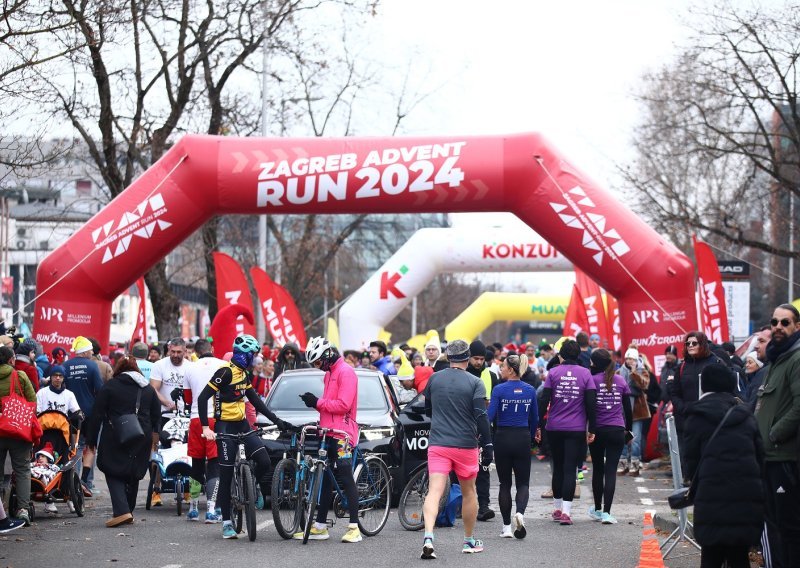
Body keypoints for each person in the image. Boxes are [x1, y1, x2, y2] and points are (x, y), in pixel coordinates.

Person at [197, 335, 291, 539]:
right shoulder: (225, 373)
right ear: (244, 355)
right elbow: (202, 397)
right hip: (224, 427)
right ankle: (227, 523)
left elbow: (256, 401)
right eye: (253, 355)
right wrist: (206, 427)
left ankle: (251, 486)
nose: (255, 359)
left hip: (242, 424)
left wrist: (277, 420)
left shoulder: (244, 374)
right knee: (226, 474)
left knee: (264, 460)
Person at [684, 363, 764, 568]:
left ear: (705, 384)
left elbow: (691, 462)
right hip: (745, 496)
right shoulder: (746, 415)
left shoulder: (697, 416)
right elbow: (759, 456)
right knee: (739, 557)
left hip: (710, 496)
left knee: (711, 557)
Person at [420, 339, 493, 559]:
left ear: (448, 357)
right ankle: (469, 541)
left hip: (439, 443)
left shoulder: (434, 378)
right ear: (467, 357)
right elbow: (481, 416)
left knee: (434, 490)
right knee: (469, 492)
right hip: (465, 445)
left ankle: (428, 537)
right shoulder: (475, 382)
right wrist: (488, 444)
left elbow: (428, 409)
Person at [295, 336, 362, 544]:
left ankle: (354, 527)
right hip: (328, 432)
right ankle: (320, 526)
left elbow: (342, 405)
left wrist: (316, 402)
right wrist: (317, 408)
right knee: (324, 477)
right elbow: (329, 404)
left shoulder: (346, 372)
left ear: (327, 356)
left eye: (317, 362)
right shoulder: (329, 373)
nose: (317, 366)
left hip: (343, 434)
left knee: (345, 475)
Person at [86, 356, 161, 527]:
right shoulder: (148, 389)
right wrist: (155, 437)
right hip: (142, 435)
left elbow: (97, 413)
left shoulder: (110, 387)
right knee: (132, 471)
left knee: (111, 469)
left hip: (114, 435)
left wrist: (91, 440)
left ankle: (122, 511)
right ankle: (128, 509)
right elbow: (156, 415)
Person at [755, 303, 800, 567]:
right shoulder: (777, 358)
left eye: (785, 323)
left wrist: (773, 434)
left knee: (788, 528)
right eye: (774, 322)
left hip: (783, 457)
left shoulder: (795, 359)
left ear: (797, 326)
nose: (778, 327)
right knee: (774, 527)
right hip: (768, 457)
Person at [535, 339, 596, 526]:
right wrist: (591, 428)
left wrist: (538, 425)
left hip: (554, 427)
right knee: (570, 468)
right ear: (578, 355)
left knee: (558, 467)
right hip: (576, 429)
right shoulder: (586, 373)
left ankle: (557, 508)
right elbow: (591, 403)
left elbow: (544, 400)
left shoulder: (553, 372)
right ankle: (567, 513)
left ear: (561, 355)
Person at [489, 353, 538, 539]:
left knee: (505, 484)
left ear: (510, 370)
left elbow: (490, 416)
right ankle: (520, 513)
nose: (501, 369)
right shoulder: (530, 390)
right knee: (523, 482)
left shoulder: (499, 390)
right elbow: (535, 419)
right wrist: (531, 437)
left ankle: (507, 527)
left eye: (502, 366)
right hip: (522, 436)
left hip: (503, 437)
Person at [181, 338, 224, 523]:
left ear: (196, 352)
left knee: (197, 465)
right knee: (214, 464)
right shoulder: (223, 365)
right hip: (216, 418)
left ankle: (193, 508)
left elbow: (188, 397)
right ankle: (212, 510)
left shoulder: (189, 368)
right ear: (212, 349)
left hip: (196, 419)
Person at [587, 349, 632, 524]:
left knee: (598, 469)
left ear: (596, 364)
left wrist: (590, 428)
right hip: (617, 430)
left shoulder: (592, 381)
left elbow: (589, 407)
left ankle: (597, 509)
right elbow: (627, 410)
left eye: (591, 362)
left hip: (598, 430)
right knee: (611, 470)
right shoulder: (621, 381)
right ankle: (607, 512)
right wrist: (627, 431)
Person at [62, 335, 103, 496]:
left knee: (74, 447)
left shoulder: (65, 366)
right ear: (85, 351)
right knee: (90, 447)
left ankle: (73, 482)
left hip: (71, 413)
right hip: (90, 412)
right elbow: (99, 390)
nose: (92, 352)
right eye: (90, 350)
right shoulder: (92, 367)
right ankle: (86, 482)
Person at [0, 346, 36, 525]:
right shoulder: (19, 376)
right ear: (10, 360)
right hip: (17, 429)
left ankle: (1, 514)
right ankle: (22, 510)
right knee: (22, 470)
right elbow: (32, 401)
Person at [466, 339, 499, 521]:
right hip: (464, 427)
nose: (479, 362)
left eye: (481, 359)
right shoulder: (463, 374)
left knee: (483, 467)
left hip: (485, 427)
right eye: (475, 358)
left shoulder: (491, 377)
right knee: (462, 469)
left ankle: (483, 505)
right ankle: (460, 504)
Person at [617, 347, 650, 475]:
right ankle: (623, 462)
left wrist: (634, 372)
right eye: (628, 358)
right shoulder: (619, 372)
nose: (630, 361)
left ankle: (635, 464)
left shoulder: (643, 371)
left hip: (637, 410)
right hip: (621, 409)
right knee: (622, 437)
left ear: (637, 360)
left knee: (635, 438)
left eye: (632, 359)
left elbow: (644, 385)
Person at [30, 444, 60, 513]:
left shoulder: (51, 465)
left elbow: (57, 469)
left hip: (46, 479)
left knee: (51, 474)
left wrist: (50, 467)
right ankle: (35, 474)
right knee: (28, 470)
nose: (40, 458)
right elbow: (27, 466)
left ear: (49, 459)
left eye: (43, 456)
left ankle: (40, 476)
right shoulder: (35, 464)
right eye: (38, 457)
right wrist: (34, 464)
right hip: (33, 477)